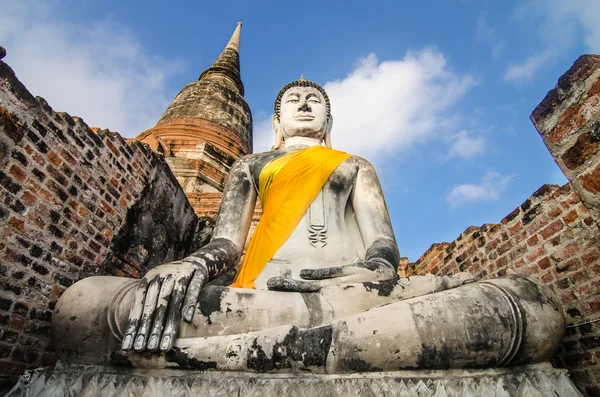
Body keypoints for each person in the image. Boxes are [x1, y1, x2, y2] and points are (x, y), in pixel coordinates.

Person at [52, 78, 562, 372]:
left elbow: (382, 244)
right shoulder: (250, 166)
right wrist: (190, 264)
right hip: (256, 298)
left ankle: (217, 356)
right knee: (84, 305)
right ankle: (299, 349)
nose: (302, 104)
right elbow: (227, 241)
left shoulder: (353, 164)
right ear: (275, 123)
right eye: (292, 100)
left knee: (530, 307)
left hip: (354, 296)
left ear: (329, 121)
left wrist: (373, 272)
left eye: (313, 100)